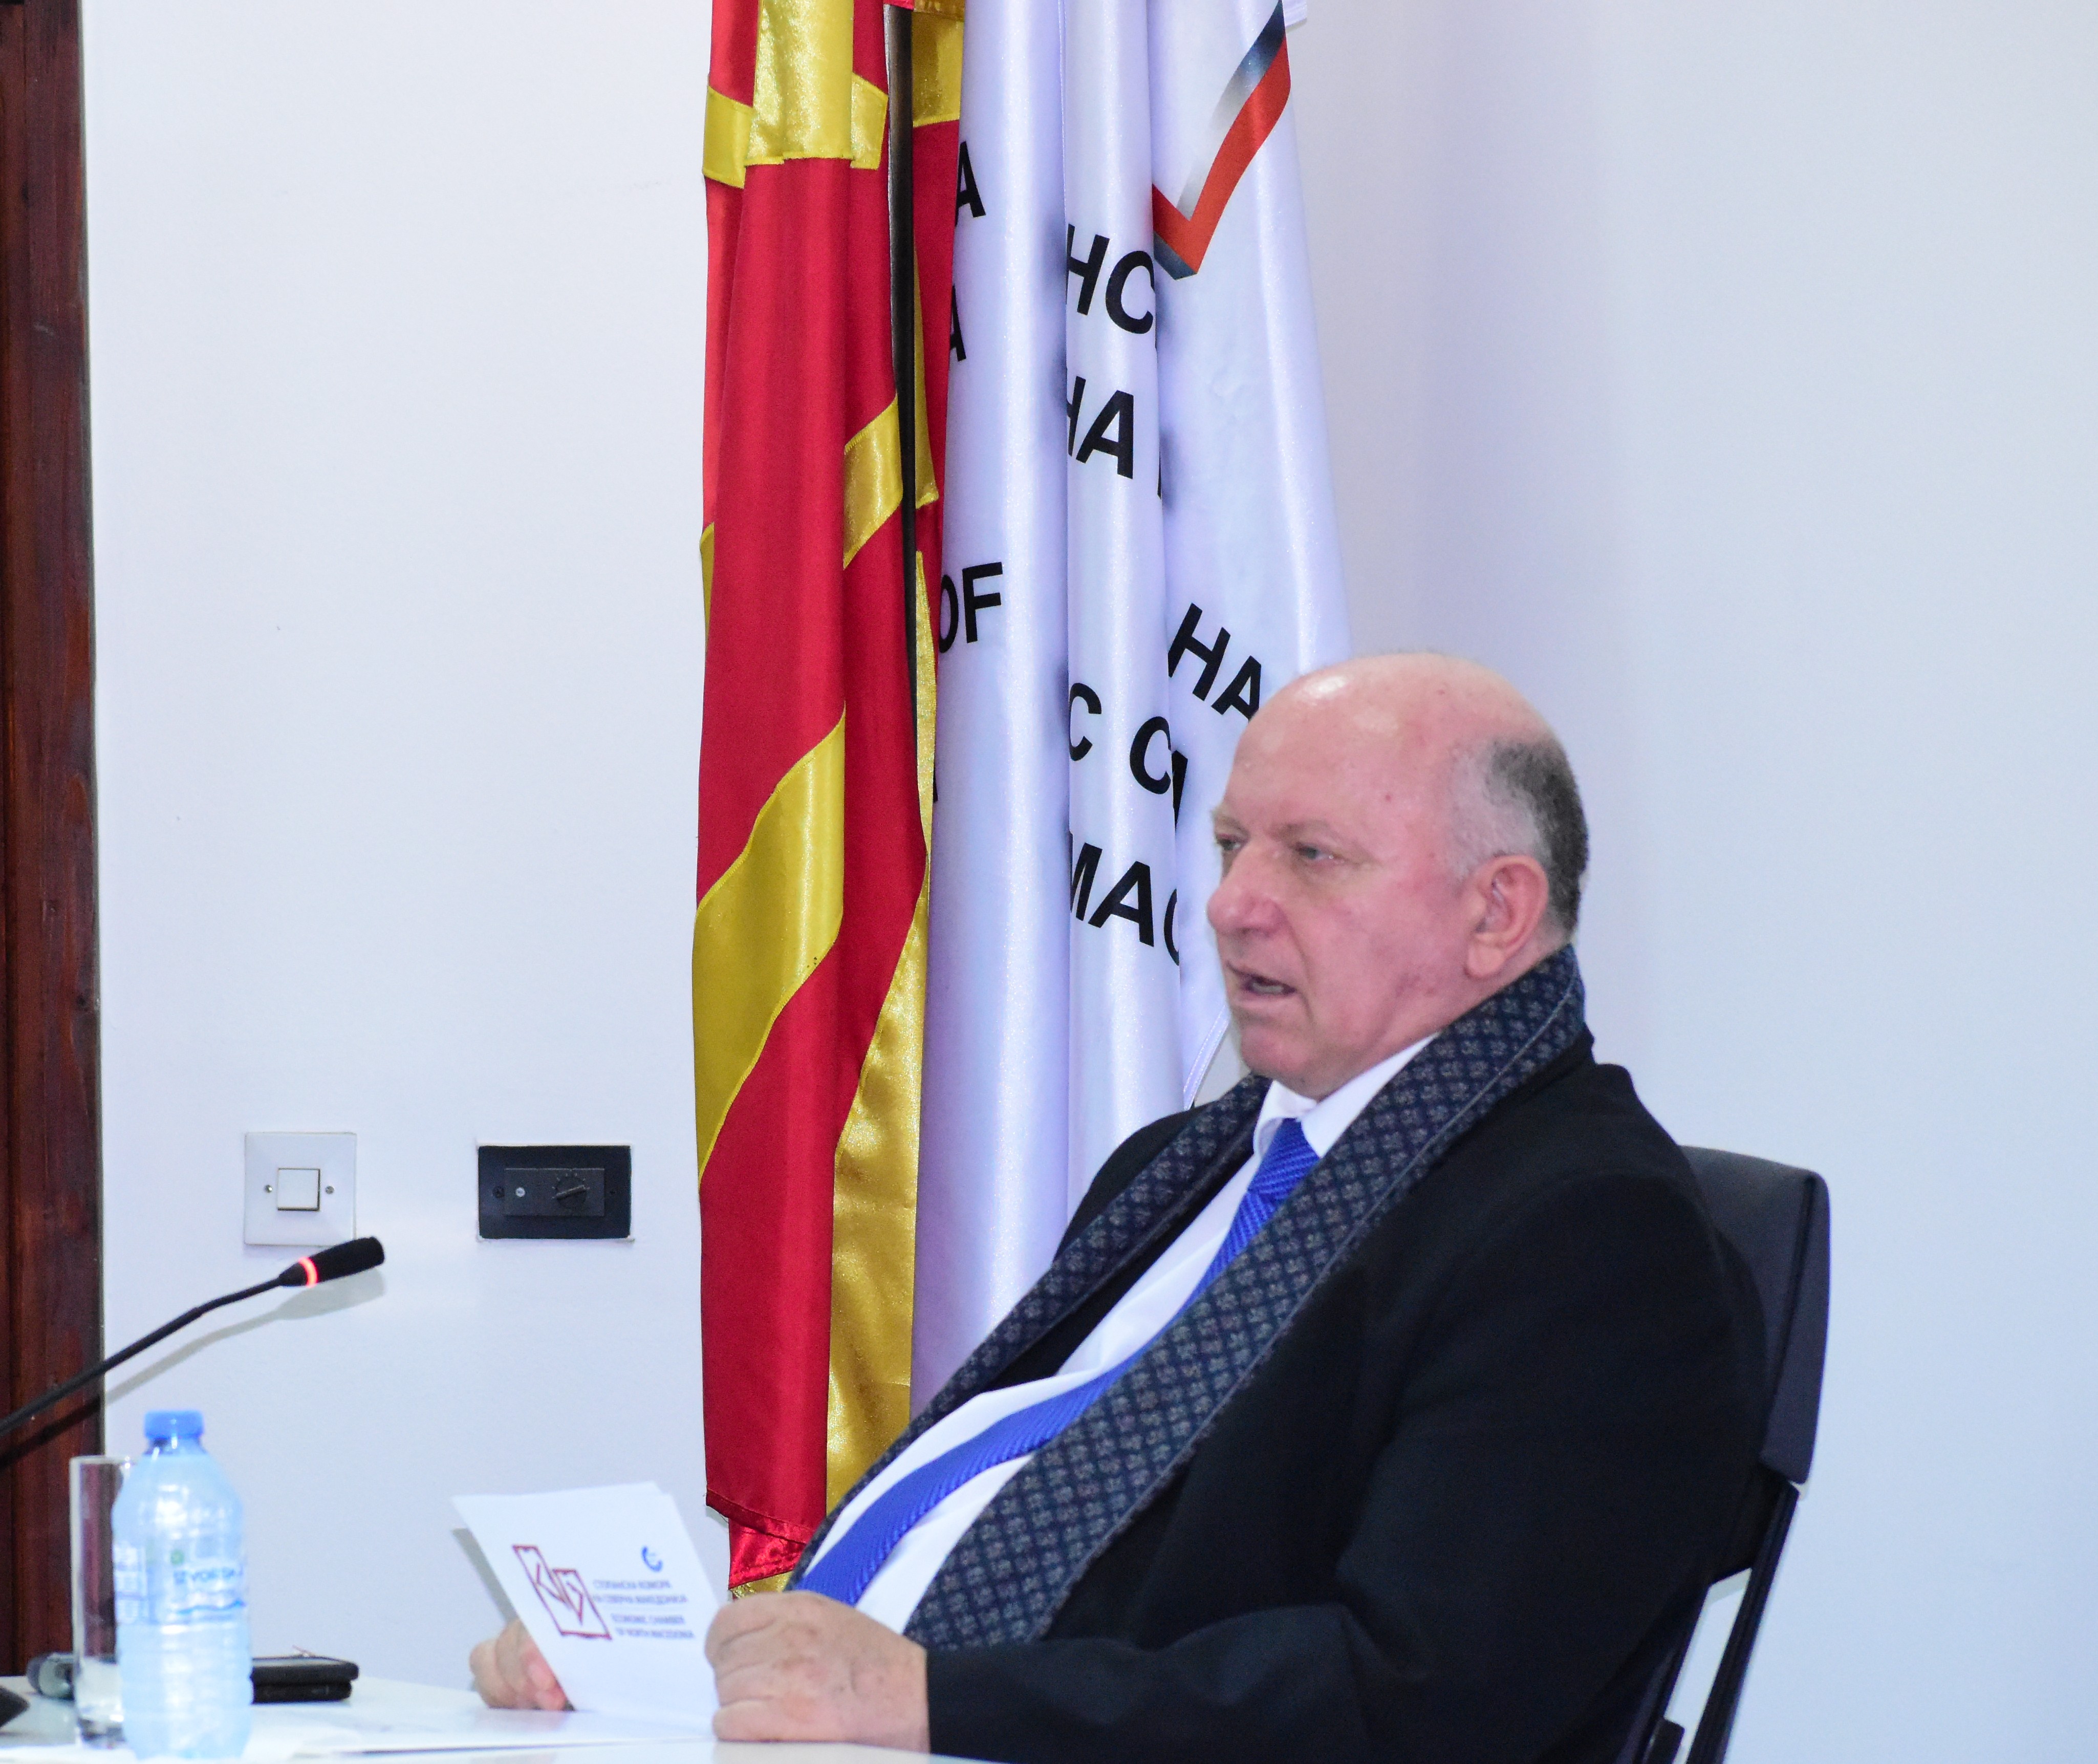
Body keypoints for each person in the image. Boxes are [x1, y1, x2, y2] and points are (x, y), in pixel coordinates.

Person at [473, 654, 1764, 1764]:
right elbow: (1005, 1519)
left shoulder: (1594, 1241)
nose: (1231, 904)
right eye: (1231, 846)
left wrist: (925, 1699)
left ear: (1496, 912)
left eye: (1311, 857)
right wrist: (677, 1674)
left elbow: (1419, 1696)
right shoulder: (1185, 1164)